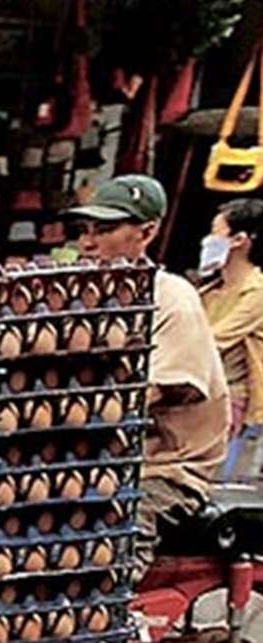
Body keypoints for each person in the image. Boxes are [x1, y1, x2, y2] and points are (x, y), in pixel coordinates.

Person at [67, 175, 230, 580]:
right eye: (85, 231)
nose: (88, 243)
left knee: (119, 530)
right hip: (95, 461)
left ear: (147, 232)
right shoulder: (84, 297)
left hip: (163, 469)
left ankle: (109, 628)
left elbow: (154, 392)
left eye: (104, 230)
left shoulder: (171, 297)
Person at [198, 198, 263, 450]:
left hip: (227, 399)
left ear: (239, 240)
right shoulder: (210, 290)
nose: (208, 241)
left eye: (216, 233)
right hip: (197, 392)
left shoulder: (257, 293)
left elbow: (213, 341)